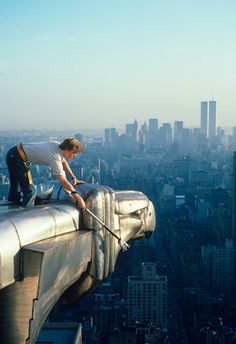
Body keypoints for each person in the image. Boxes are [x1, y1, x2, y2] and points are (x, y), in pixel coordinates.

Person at [6, 137, 86, 208]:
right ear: (67, 149)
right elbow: (64, 182)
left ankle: (11, 208)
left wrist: (73, 178)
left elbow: (63, 162)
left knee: (15, 186)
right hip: (18, 158)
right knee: (30, 191)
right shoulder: (55, 157)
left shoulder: (57, 146)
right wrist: (78, 198)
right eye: (73, 153)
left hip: (13, 153)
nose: (74, 155)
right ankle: (23, 218)